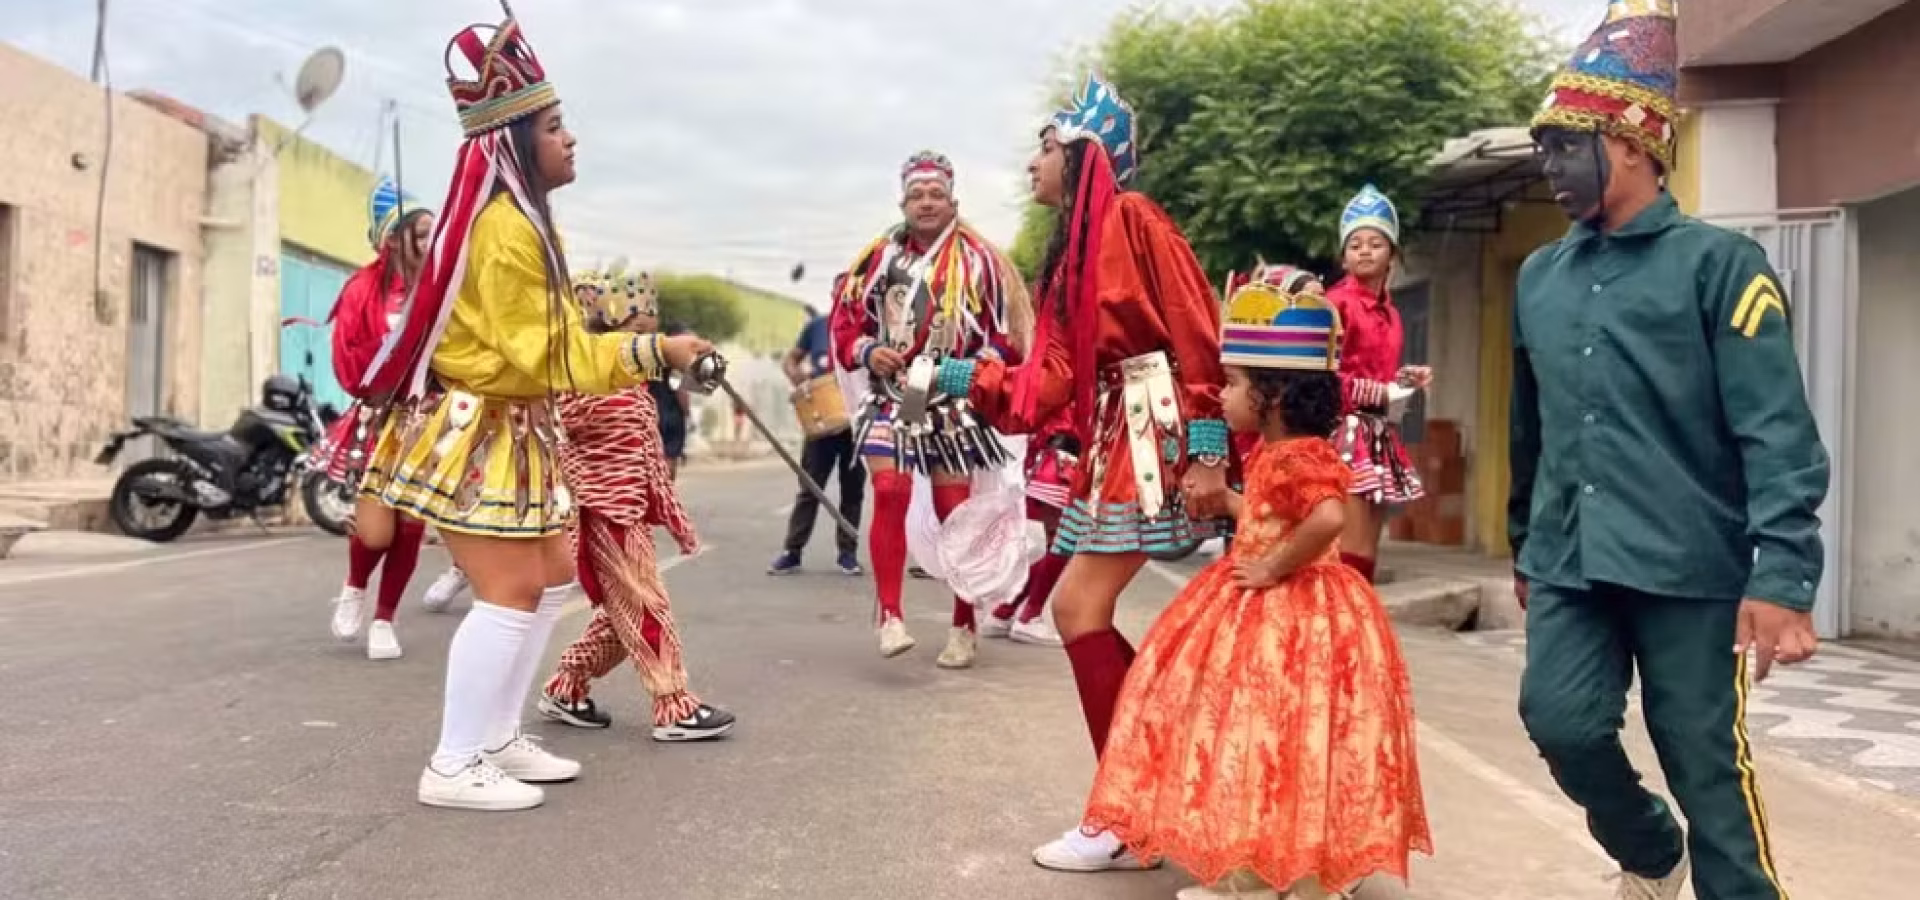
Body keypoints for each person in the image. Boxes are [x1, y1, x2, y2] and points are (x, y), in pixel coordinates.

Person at [354, 9, 712, 812]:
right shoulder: (508, 230)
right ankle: (453, 762)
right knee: (511, 592)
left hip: (515, 427)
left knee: (551, 580)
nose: (570, 139)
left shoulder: (522, 221)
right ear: (514, 141)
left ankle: (496, 737)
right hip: (479, 428)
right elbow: (551, 359)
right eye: (554, 127)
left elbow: (550, 354)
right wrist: (657, 352)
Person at [1512, 2, 1830, 897]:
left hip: (1692, 566)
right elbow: (1528, 421)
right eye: (1543, 147)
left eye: (1566, 144)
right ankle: (1651, 852)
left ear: (1633, 144)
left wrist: (1782, 580)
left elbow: (1777, 430)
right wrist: (1521, 546)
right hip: (1570, 560)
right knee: (1559, 721)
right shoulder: (1540, 276)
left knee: (1706, 770)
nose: (1550, 165)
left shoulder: (1722, 266)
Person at [937, 72, 1230, 871]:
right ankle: (1146, 793)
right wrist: (957, 377)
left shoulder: (1134, 219)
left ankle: (1128, 810)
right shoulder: (1068, 251)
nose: (1033, 161)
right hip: (1115, 429)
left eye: (1044, 145)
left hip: (1152, 425)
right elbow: (1053, 383)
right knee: (1077, 608)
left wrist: (1206, 448)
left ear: (1083, 152)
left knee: (1076, 607)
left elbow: (1196, 329)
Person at [1085, 275, 1431, 900]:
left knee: (1262, 731)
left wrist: (1273, 569)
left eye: (1235, 382)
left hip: (1289, 612)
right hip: (1278, 602)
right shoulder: (1277, 451)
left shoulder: (1297, 453)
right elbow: (1277, 518)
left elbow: (1327, 519)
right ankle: (1277, 868)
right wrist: (1230, 501)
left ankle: (1277, 878)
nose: (1224, 393)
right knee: (1276, 738)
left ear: (1272, 395)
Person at [830, 150, 1032, 666]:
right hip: (890, 393)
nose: (926, 202)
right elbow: (846, 323)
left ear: (953, 201)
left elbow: (1007, 337)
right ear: (902, 202)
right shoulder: (875, 261)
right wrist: (868, 352)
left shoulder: (980, 261)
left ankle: (964, 624)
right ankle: (892, 617)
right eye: (917, 195)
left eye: (935, 194)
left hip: (951, 399)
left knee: (954, 512)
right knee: (889, 487)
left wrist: (972, 367)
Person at [537, 267, 735, 742]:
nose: (646, 339)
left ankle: (566, 685)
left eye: (651, 329)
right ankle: (673, 706)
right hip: (600, 507)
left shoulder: (637, 382)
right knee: (646, 605)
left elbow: (648, 452)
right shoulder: (584, 373)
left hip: (627, 508)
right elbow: (560, 423)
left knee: (622, 613)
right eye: (636, 332)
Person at [322, 178, 456, 660]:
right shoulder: (363, 289)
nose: (428, 242)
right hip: (381, 421)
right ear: (392, 238)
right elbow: (347, 357)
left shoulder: (442, 289)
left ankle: (385, 618)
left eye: (431, 233)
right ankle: (355, 587)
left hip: (430, 422)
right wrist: (386, 358)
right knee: (377, 529)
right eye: (418, 234)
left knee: (412, 526)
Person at [1324, 185, 1431, 583]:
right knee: (1346, 550)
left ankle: (1360, 633)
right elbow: (1323, 378)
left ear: (1393, 254)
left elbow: (1379, 373)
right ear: (1344, 254)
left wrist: (1404, 380)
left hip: (1379, 437)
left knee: (1367, 553)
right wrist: (1379, 393)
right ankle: (1338, 633)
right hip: (1343, 437)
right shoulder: (1335, 305)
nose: (1365, 251)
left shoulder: (1393, 313)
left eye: (1375, 243)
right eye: (1355, 244)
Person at [769, 296, 864, 577]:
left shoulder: (868, 327)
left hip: (856, 421)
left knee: (852, 491)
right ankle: (792, 552)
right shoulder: (818, 326)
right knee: (810, 487)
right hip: (821, 420)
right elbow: (791, 360)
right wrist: (802, 384)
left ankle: (847, 553)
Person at [650, 321, 693, 480]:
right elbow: (681, 391)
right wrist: (687, 411)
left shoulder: (653, 356)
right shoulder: (678, 362)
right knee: (669, 461)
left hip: (652, 413)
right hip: (671, 414)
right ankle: (666, 497)